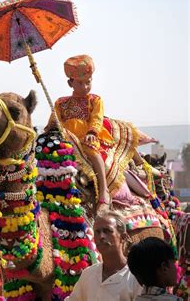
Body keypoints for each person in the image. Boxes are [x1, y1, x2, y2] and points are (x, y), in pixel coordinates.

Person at [45, 54, 114, 212]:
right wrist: (53, 127)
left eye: (88, 82)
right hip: (65, 139)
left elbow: (97, 118)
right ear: (70, 83)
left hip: (87, 138)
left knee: (93, 152)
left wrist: (92, 132)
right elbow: (54, 122)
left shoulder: (95, 100)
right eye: (80, 83)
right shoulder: (60, 103)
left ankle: (104, 190)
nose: (85, 87)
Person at [65, 210, 142, 301]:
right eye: (97, 232)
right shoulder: (88, 274)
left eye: (107, 231)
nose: (101, 236)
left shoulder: (136, 277)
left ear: (123, 237)